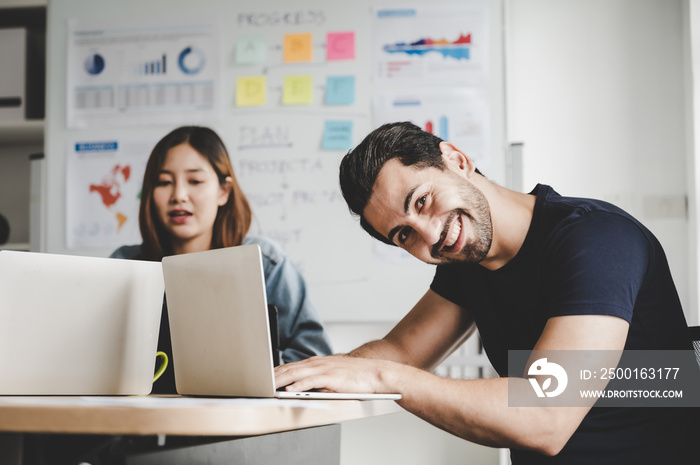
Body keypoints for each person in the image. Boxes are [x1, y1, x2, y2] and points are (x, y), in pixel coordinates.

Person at [274, 122, 697, 464]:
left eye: (422, 201)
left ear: (457, 160)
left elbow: (545, 416)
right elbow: (399, 351)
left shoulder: (597, 239)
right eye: (405, 235)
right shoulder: (468, 257)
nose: (431, 234)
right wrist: (291, 378)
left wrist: (382, 377)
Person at [112, 125, 332, 394]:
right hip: (140, 418)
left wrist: (260, 374)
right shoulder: (124, 264)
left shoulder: (266, 263)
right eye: (164, 182)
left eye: (194, 181)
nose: (178, 195)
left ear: (223, 191)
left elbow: (314, 355)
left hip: (245, 420)